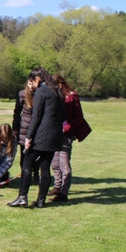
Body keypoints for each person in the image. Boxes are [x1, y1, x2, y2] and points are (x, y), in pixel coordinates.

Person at [8, 68, 65, 208]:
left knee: (27, 163)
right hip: (55, 136)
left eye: (32, 82)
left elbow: (36, 116)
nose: (31, 85)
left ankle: (22, 197)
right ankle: (41, 200)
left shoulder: (41, 91)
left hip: (41, 135)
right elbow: (62, 115)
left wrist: (29, 137)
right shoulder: (58, 91)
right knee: (45, 167)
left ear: (37, 79)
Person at [49, 74, 92, 202]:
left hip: (66, 134)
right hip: (54, 132)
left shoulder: (72, 96)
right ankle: (57, 186)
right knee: (55, 163)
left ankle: (64, 191)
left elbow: (79, 118)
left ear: (60, 84)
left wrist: (66, 128)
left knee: (64, 164)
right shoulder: (56, 96)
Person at [12, 77, 39, 182]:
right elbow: (17, 112)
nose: (31, 87)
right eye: (29, 84)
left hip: (37, 128)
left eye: (33, 84)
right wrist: (15, 128)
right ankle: (25, 175)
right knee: (24, 154)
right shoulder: (22, 94)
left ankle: (36, 174)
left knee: (36, 154)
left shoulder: (40, 95)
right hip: (24, 128)